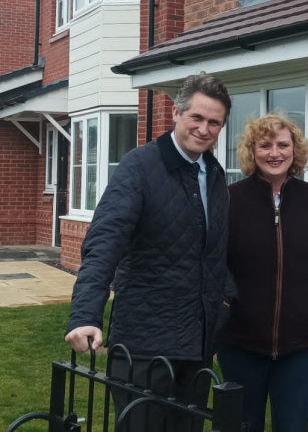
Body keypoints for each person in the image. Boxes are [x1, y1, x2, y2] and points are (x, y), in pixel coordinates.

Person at [65, 73, 234, 430]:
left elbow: (215, 252)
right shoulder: (139, 166)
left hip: (197, 344)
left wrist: (226, 302)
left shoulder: (215, 175)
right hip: (144, 345)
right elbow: (105, 241)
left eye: (214, 122)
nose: (205, 129)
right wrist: (85, 313)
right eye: (197, 118)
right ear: (176, 112)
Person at [218, 114, 308, 432]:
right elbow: (213, 262)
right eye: (265, 145)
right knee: (240, 426)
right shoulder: (228, 199)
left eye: (283, 144)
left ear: (296, 150)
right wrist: (227, 302)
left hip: (299, 345)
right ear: (253, 151)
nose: (274, 153)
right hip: (240, 342)